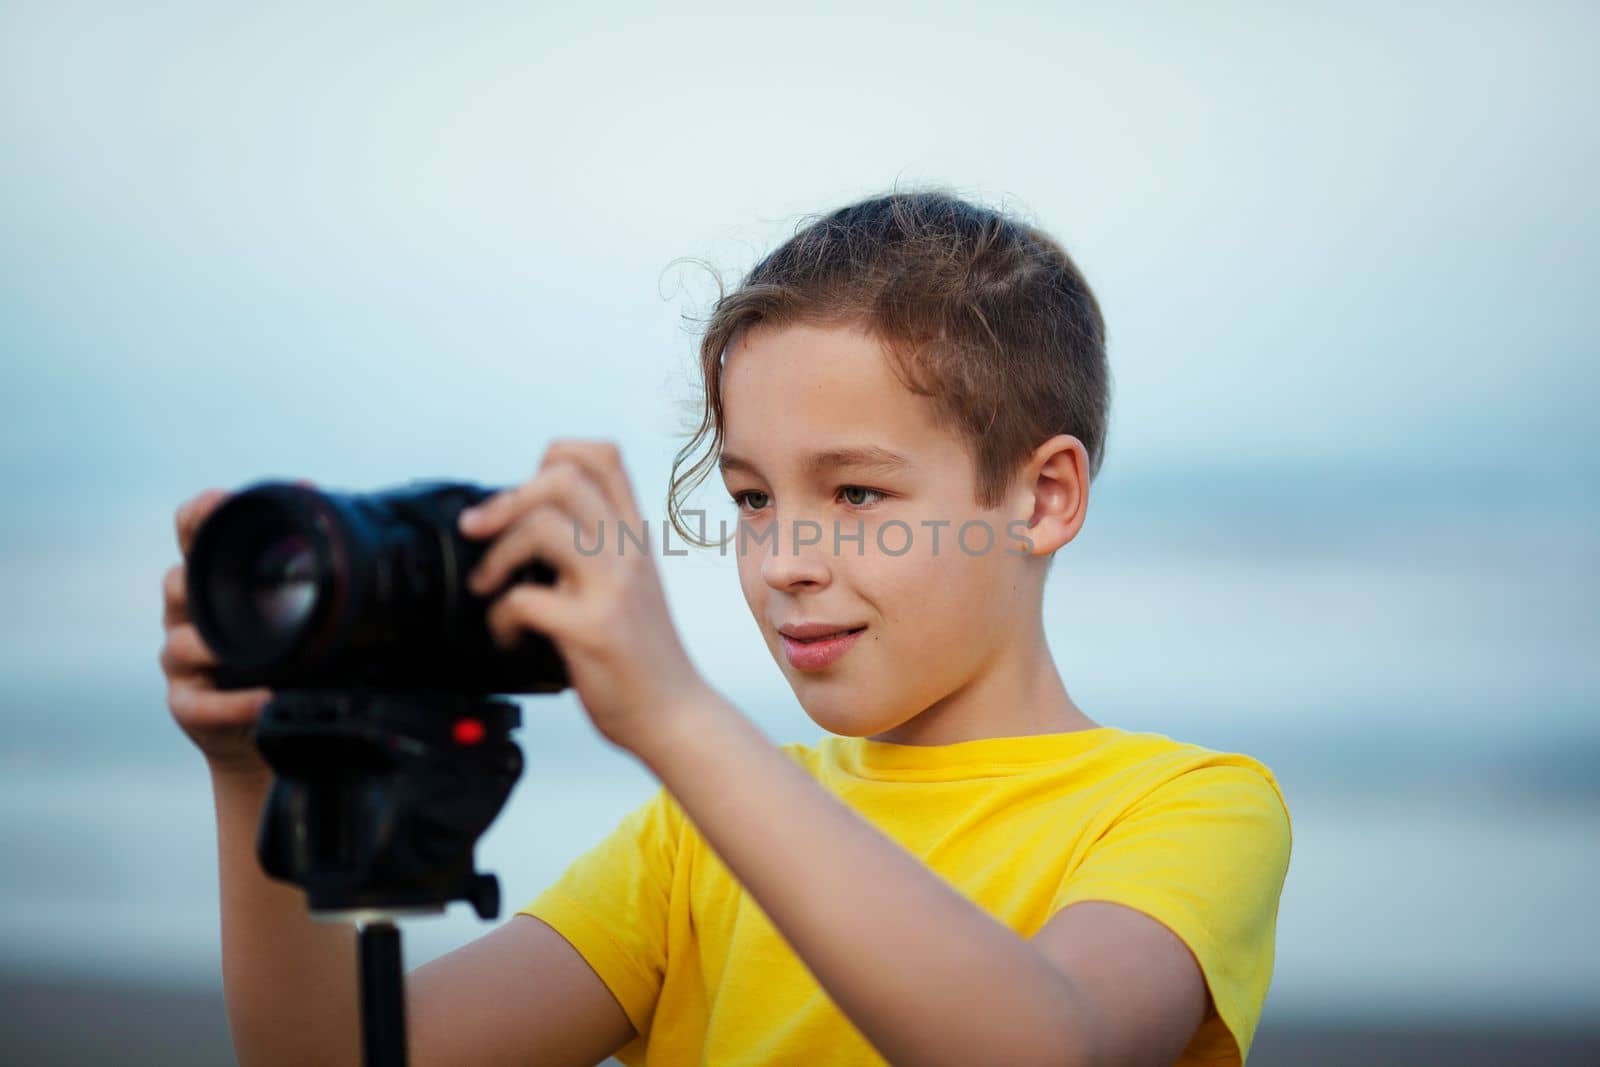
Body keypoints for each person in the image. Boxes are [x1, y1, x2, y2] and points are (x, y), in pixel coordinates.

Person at [161, 189, 1292, 1066]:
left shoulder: (1184, 806)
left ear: (1041, 498)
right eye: (752, 498)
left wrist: (675, 713)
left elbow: (1046, 1045)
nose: (782, 559)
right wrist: (254, 775)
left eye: (856, 494)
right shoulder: (694, 842)